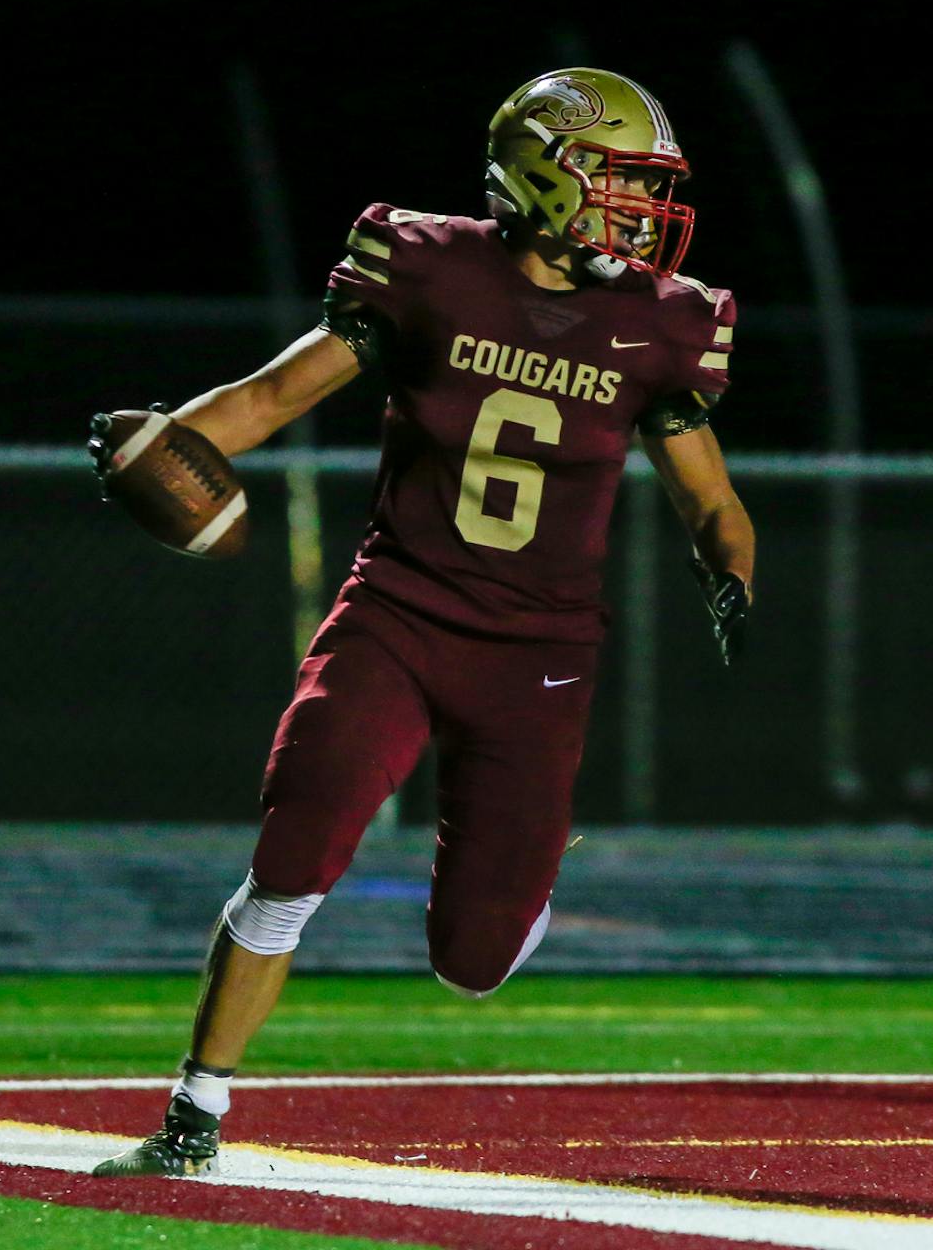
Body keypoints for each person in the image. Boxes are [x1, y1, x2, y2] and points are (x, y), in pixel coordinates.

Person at [87, 68, 755, 1175]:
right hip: (398, 611)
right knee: (296, 844)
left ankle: (524, 876)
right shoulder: (433, 268)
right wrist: (167, 441)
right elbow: (266, 400)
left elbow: (710, 497)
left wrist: (729, 569)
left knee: (473, 964)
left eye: (648, 189)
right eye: (618, 182)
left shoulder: (667, 325)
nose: (638, 210)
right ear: (543, 171)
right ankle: (192, 1116)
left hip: (540, 652)